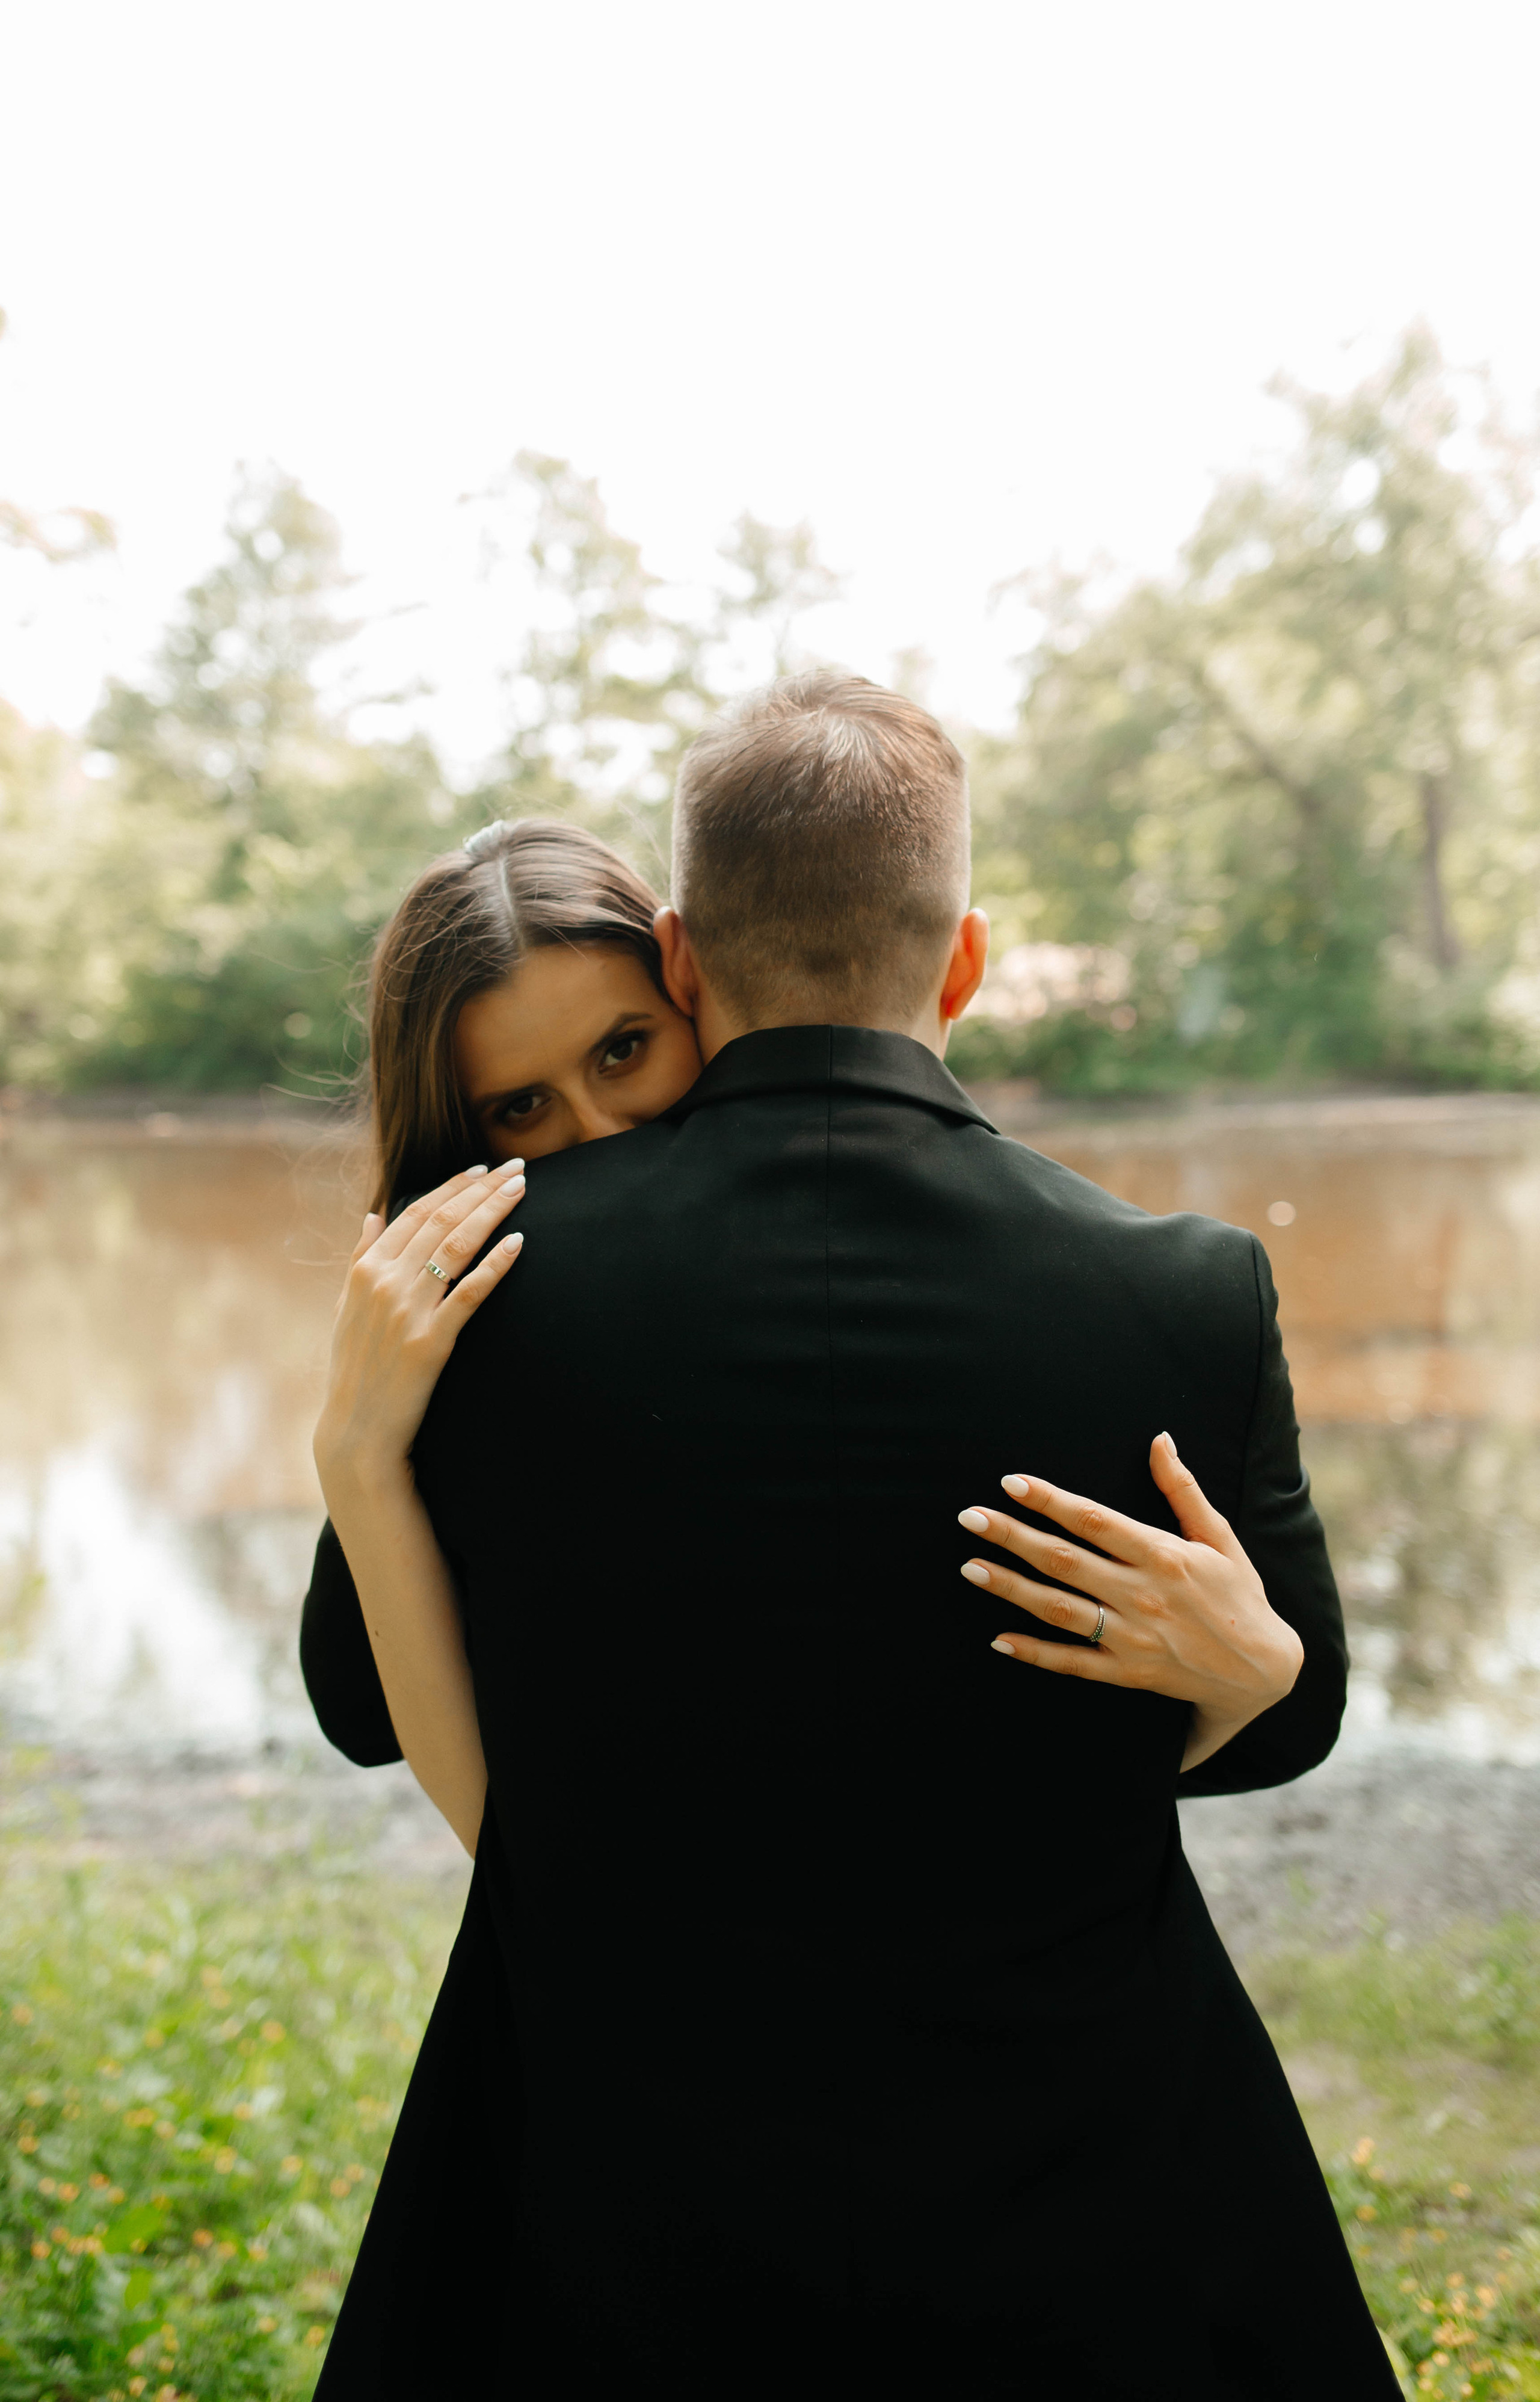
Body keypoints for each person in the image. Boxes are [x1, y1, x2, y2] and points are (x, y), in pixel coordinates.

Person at [301, 676, 1397, 2400]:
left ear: (679, 960)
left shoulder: (477, 1307)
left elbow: (368, 1706)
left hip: (611, 2198)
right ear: (964, 963)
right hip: (1089, 2185)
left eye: (613, 1059)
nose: (579, 1131)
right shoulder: (1187, 1290)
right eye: (528, 1104)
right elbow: (1295, 1721)